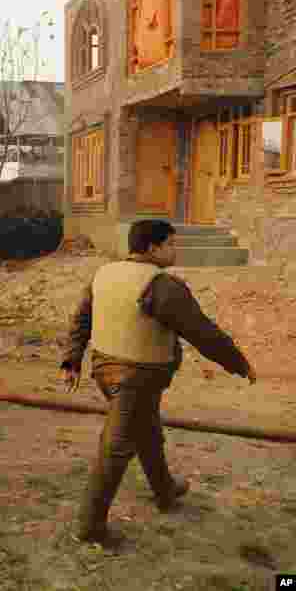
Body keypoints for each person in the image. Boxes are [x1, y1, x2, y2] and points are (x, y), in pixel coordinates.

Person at [60, 219, 256, 543]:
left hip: (104, 370)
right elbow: (202, 332)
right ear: (153, 248)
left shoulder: (105, 273)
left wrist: (72, 359)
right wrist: (239, 363)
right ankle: (90, 526)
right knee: (117, 447)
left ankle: (164, 489)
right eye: (171, 244)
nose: (175, 251)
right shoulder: (161, 286)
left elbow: (82, 317)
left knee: (147, 431)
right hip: (135, 378)